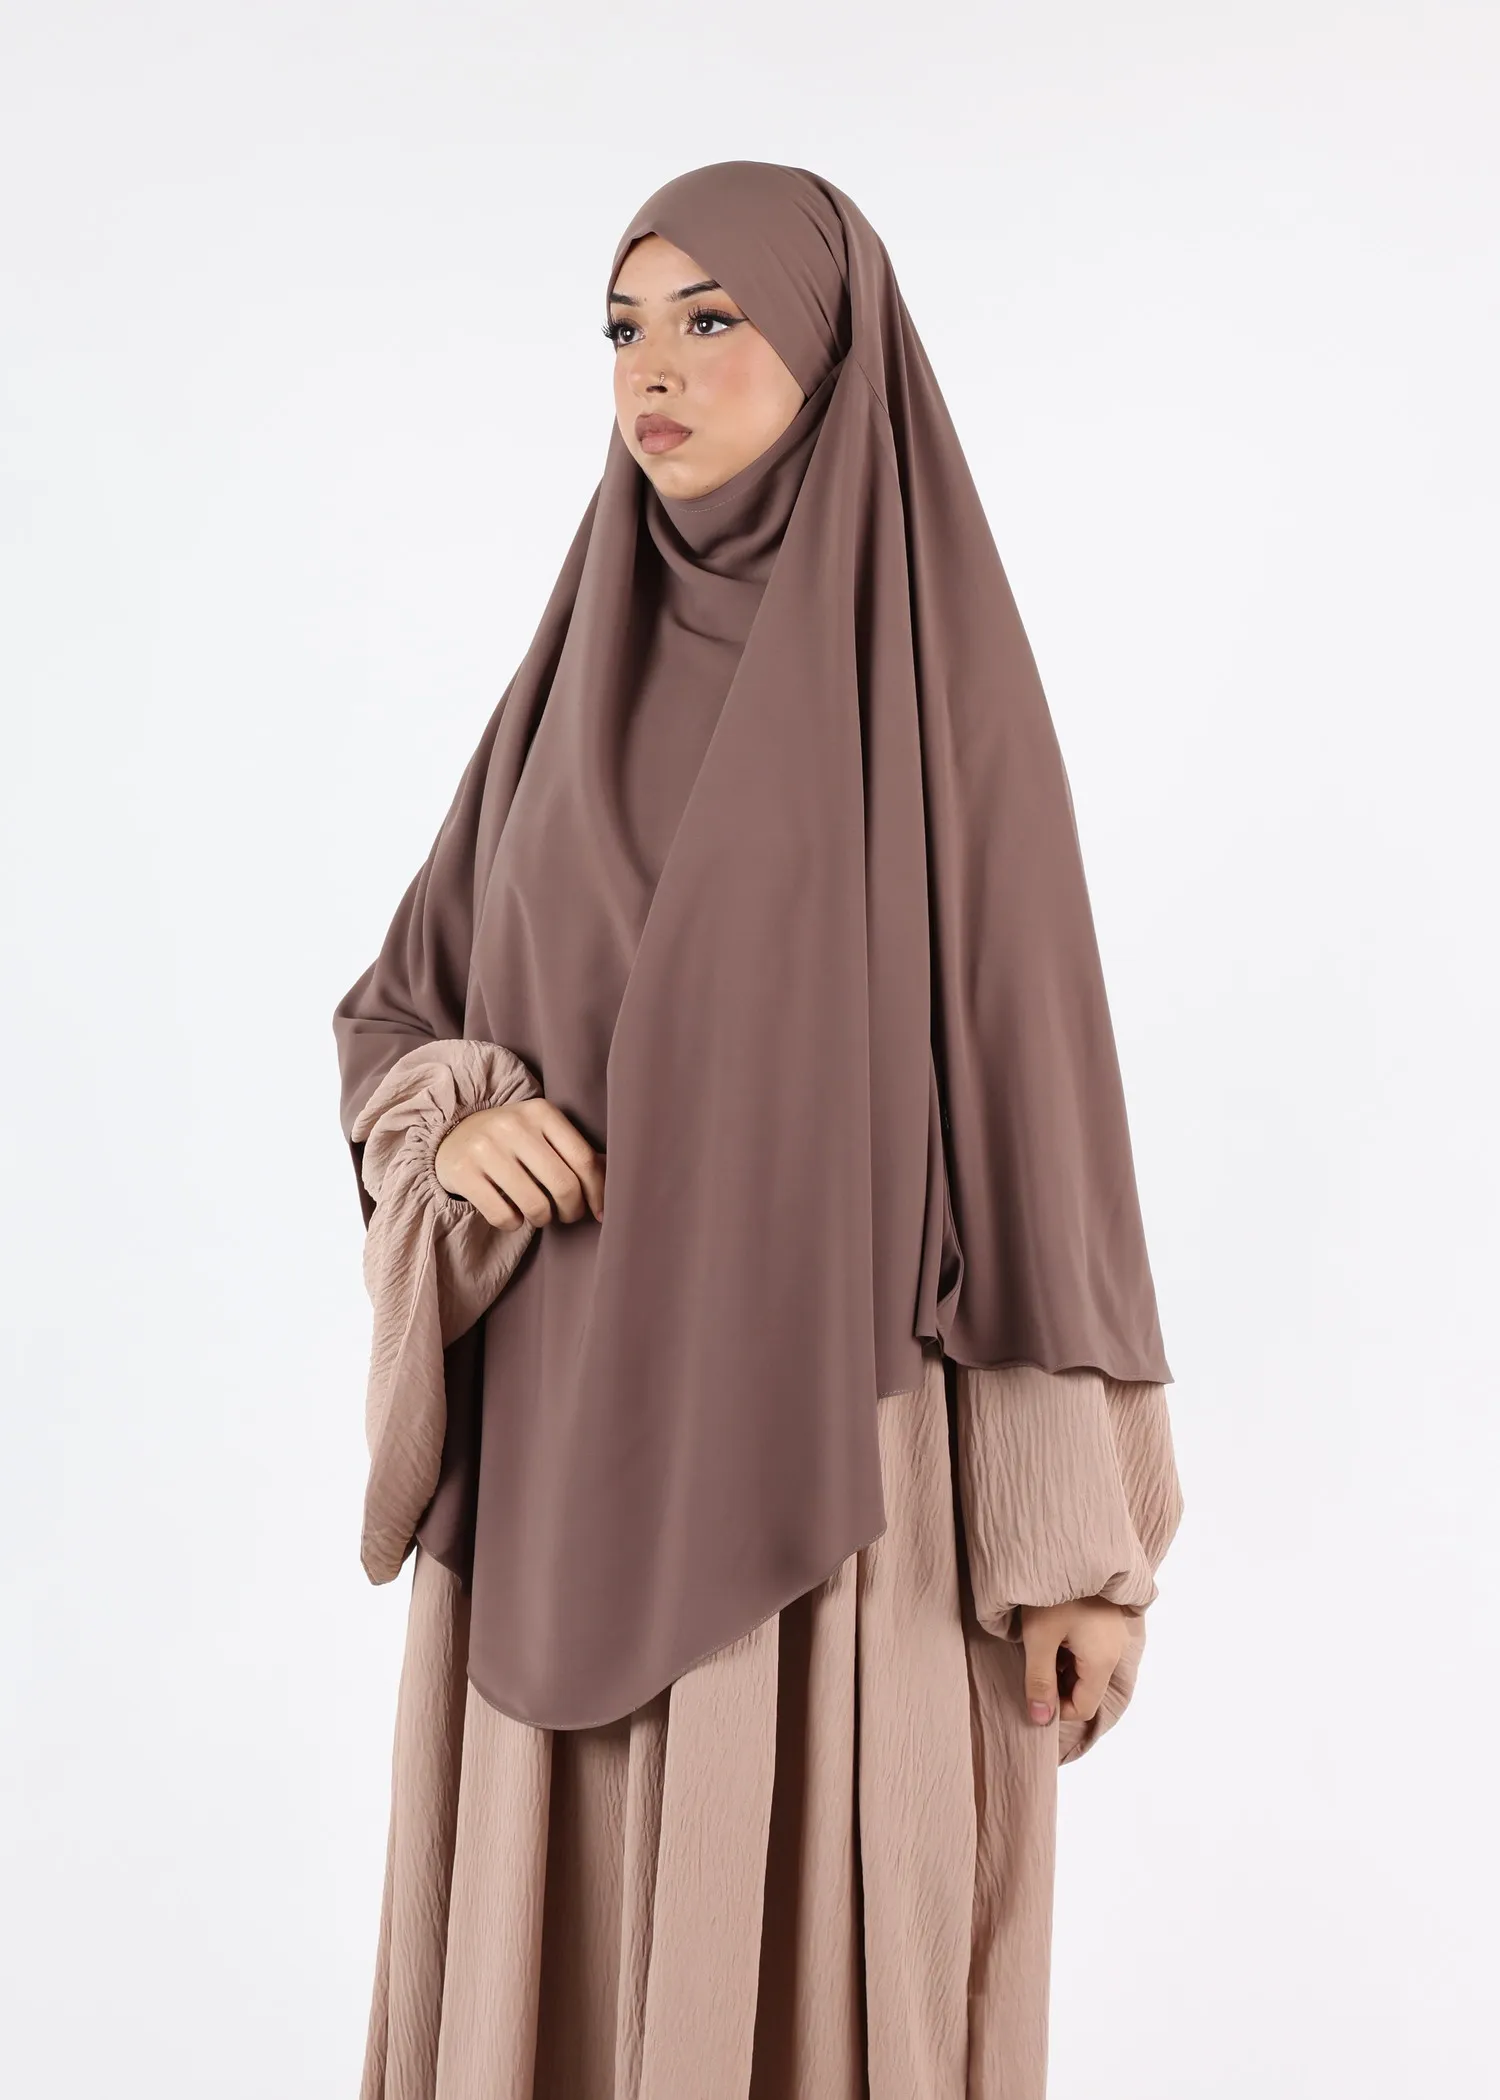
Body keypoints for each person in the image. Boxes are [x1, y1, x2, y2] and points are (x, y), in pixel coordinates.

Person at [332, 159, 1184, 2100]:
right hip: (560, 1455)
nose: (655, 368)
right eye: (623, 327)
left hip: (838, 1469)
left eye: (713, 320)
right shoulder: (569, 685)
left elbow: (1034, 1110)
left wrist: (1070, 1544)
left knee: (816, 1972)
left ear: (830, 344)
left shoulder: (940, 693)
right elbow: (401, 1006)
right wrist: (447, 1129)